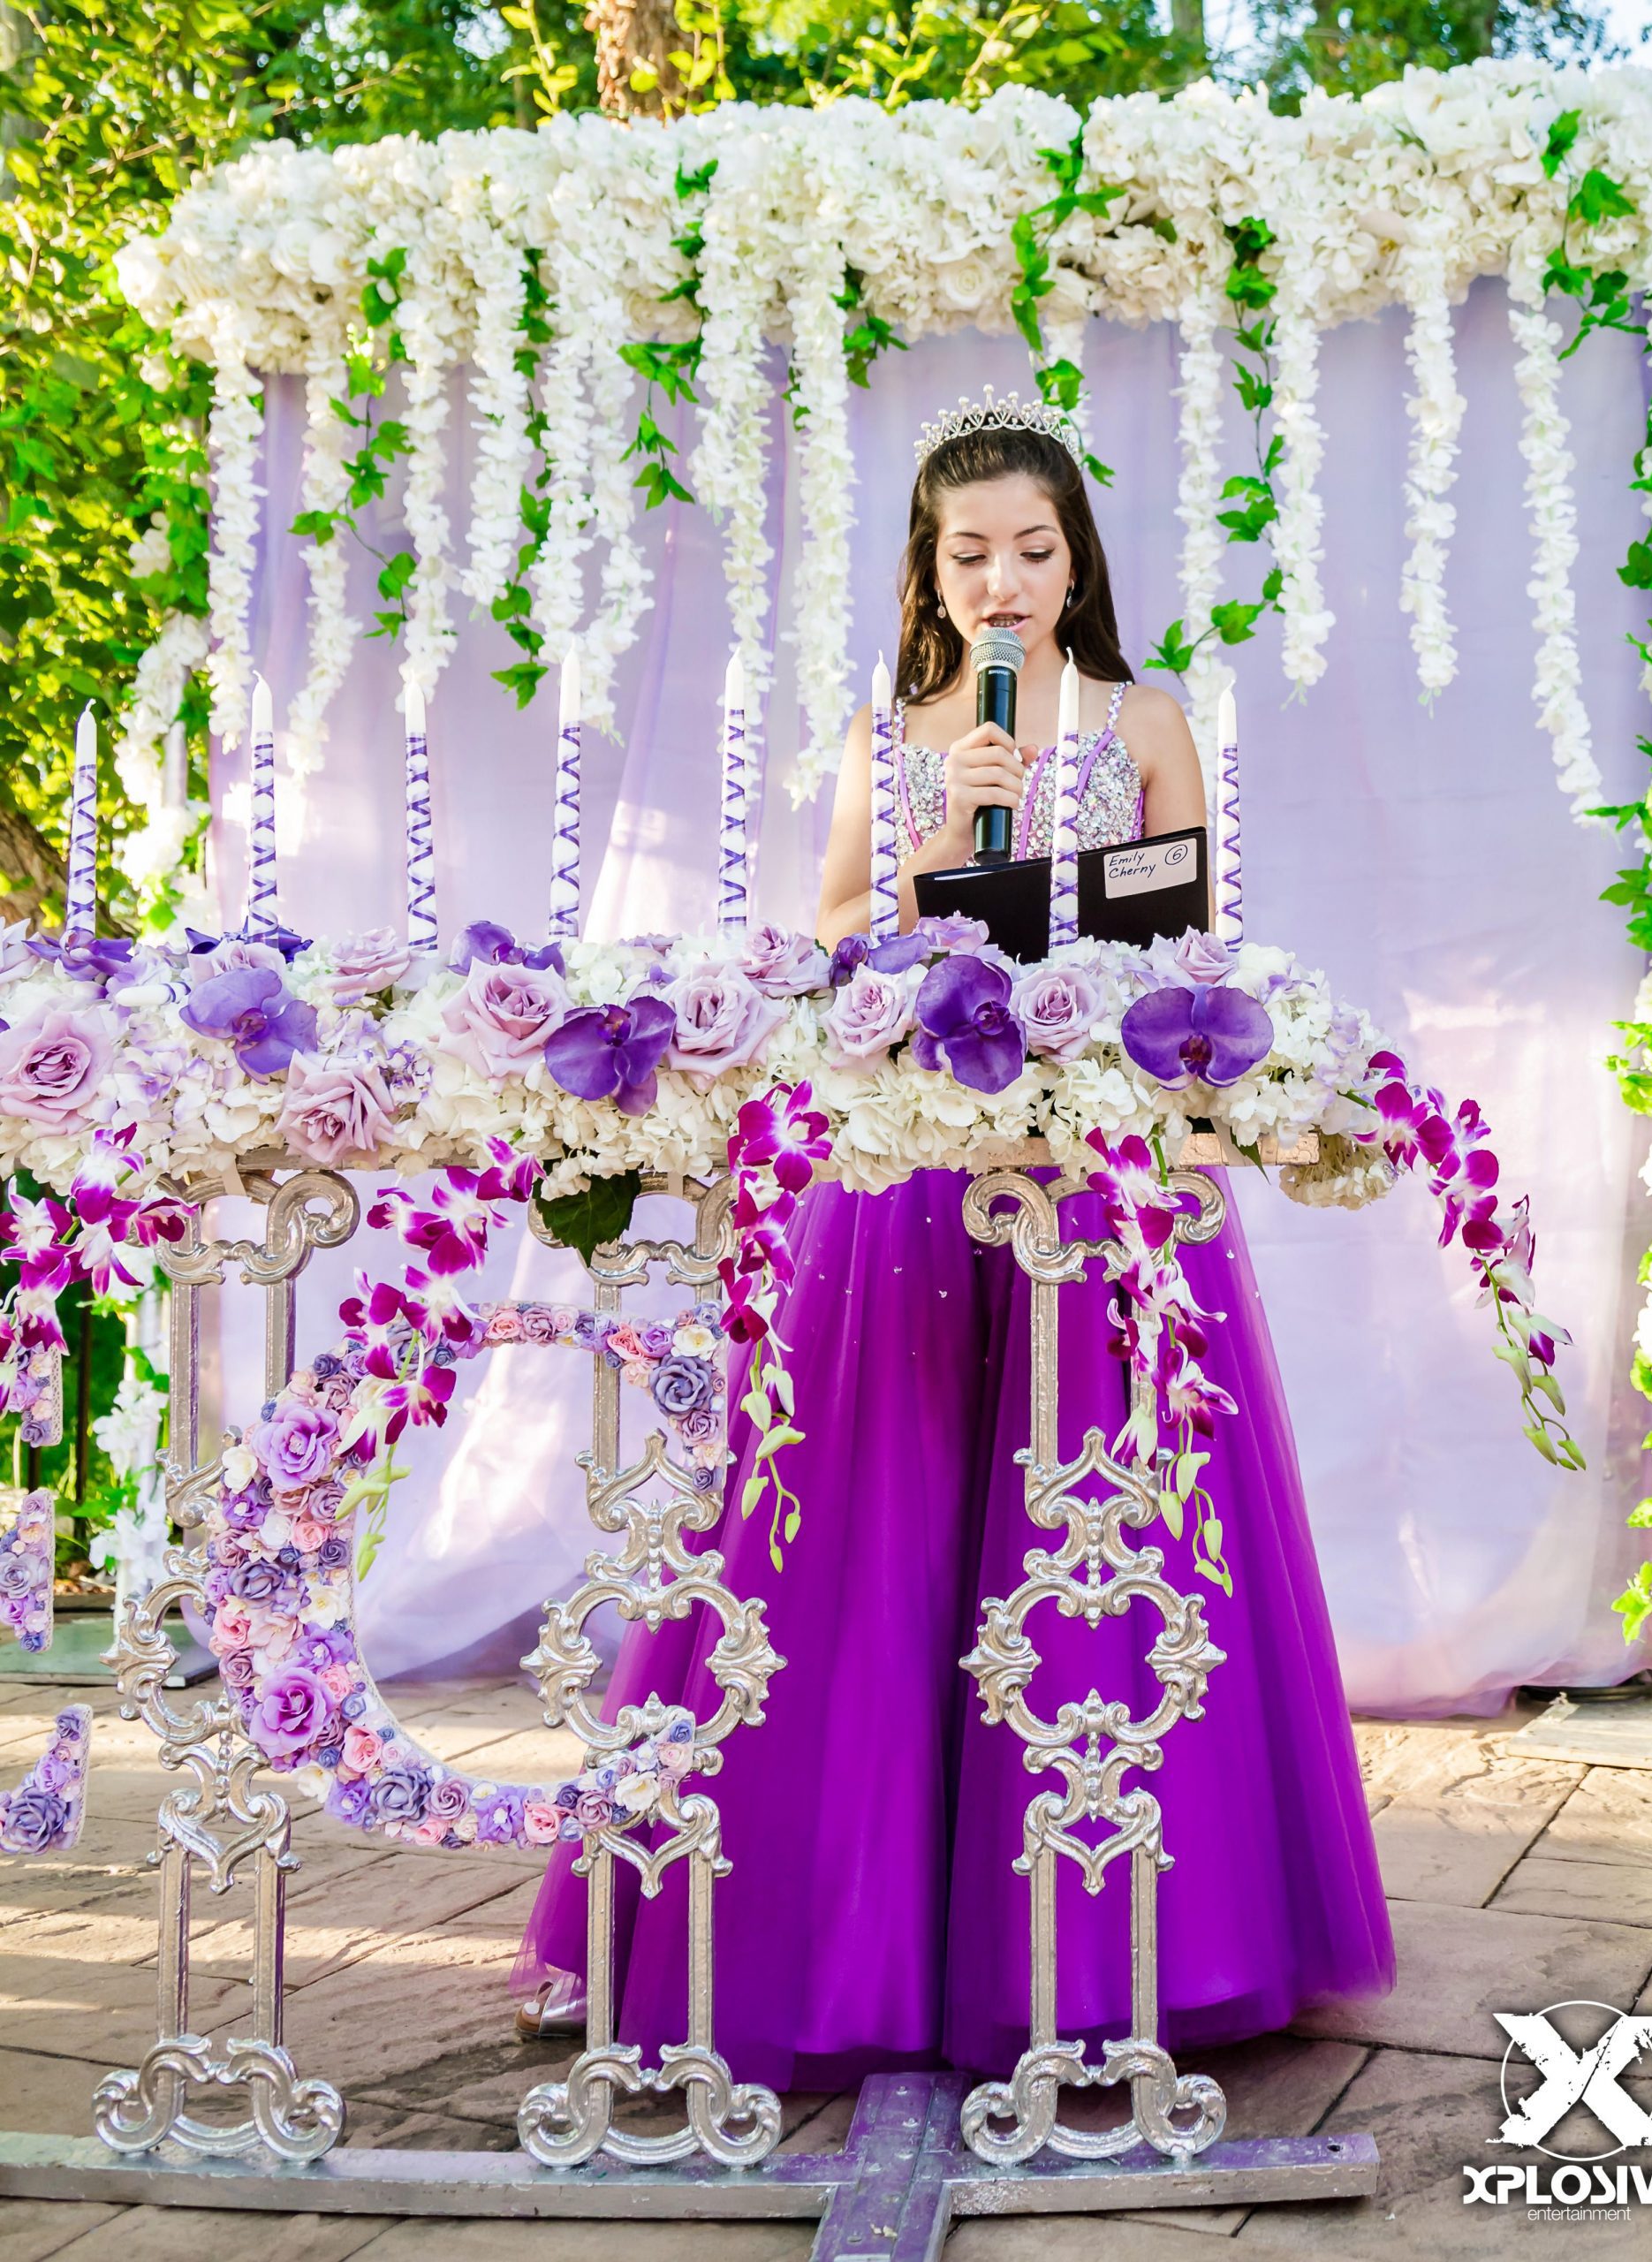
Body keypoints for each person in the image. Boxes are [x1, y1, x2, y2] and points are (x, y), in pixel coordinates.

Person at [513, 392, 1394, 2085]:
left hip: (1099, 1164)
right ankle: (858, 1936)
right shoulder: (894, 731)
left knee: (1100, 1508)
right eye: (970, 552)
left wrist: (1085, 887)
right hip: (913, 1173)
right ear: (929, 569)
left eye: (1034, 551)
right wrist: (942, 837)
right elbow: (840, 925)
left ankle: (1118, 1931)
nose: (1004, 581)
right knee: (882, 1517)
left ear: (1076, 563)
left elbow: (1197, 937)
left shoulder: (1144, 715)